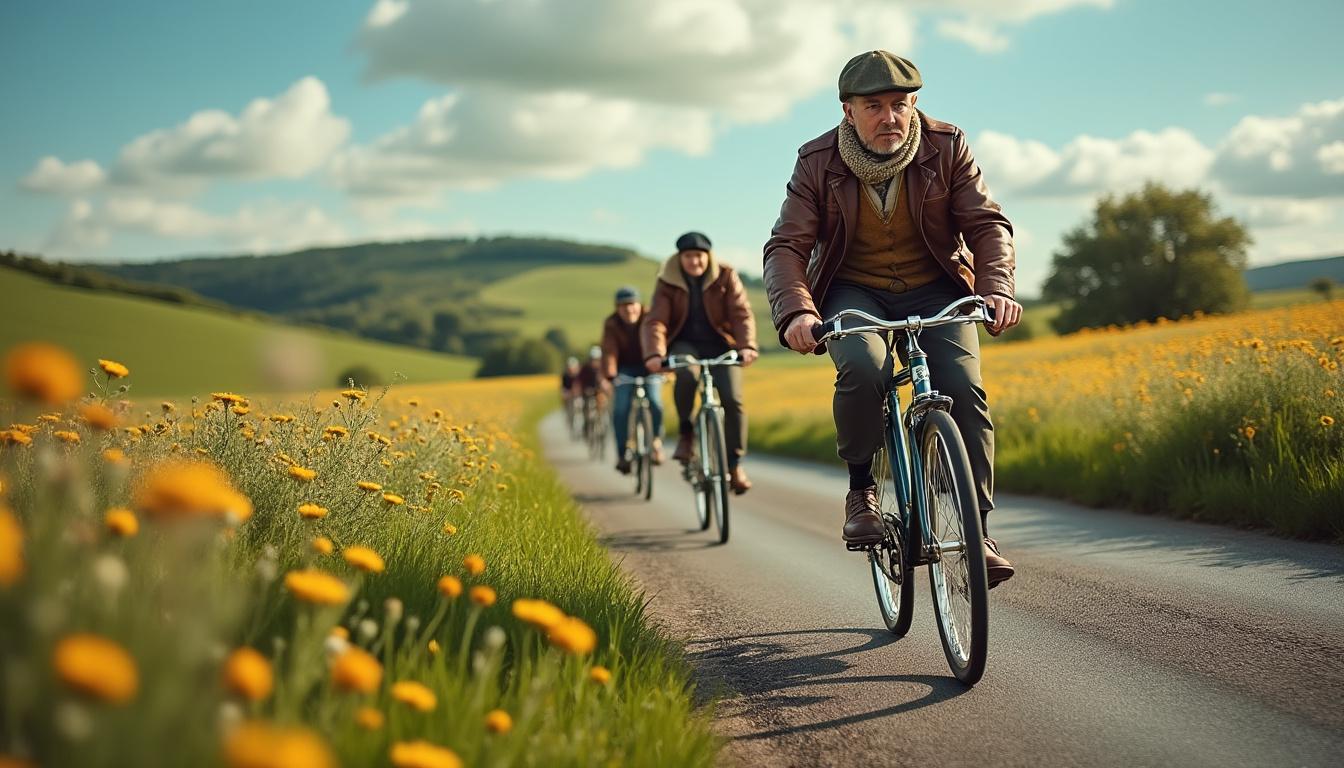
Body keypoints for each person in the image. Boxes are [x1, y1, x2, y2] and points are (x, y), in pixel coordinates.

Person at [762, 50, 1022, 587]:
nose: (890, 117)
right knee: (863, 367)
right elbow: (787, 245)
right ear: (848, 110)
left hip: (936, 287)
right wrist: (796, 312)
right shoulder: (817, 161)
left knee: (964, 388)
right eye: (874, 105)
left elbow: (987, 224)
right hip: (853, 291)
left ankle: (979, 531)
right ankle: (862, 490)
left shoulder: (946, 146)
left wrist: (995, 288)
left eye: (900, 104)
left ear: (914, 105)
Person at [642, 231, 758, 494]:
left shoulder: (726, 275)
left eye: (699, 256)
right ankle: (686, 433)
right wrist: (654, 353)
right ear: (679, 258)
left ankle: (735, 465)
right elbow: (656, 321)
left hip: (720, 344)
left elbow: (741, 313)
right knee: (687, 375)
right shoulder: (667, 281)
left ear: (708, 256)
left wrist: (747, 346)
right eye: (688, 257)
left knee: (733, 399)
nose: (694, 262)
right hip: (684, 344)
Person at [602, 286, 665, 473]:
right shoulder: (611, 323)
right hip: (624, 370)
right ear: (617, 308)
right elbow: (609, 350)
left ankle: (655, 442)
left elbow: (660, 341)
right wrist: (611, 375)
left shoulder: (650, 318)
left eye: (632, 304)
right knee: (620, 410)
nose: (628, 309)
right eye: (623, 306)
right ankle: (623, 454)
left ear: (640, 305)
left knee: (655, 403)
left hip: (650, 366)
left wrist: (663, 365)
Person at [560, 356, 581, 435]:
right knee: (569, 408)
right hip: (569, 394)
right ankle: (568, 417)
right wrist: (565, 394)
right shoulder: (565, 376)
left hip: (577, 395)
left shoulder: (579, 375)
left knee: (580, 406)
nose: (571, 368)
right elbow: (563, 388)